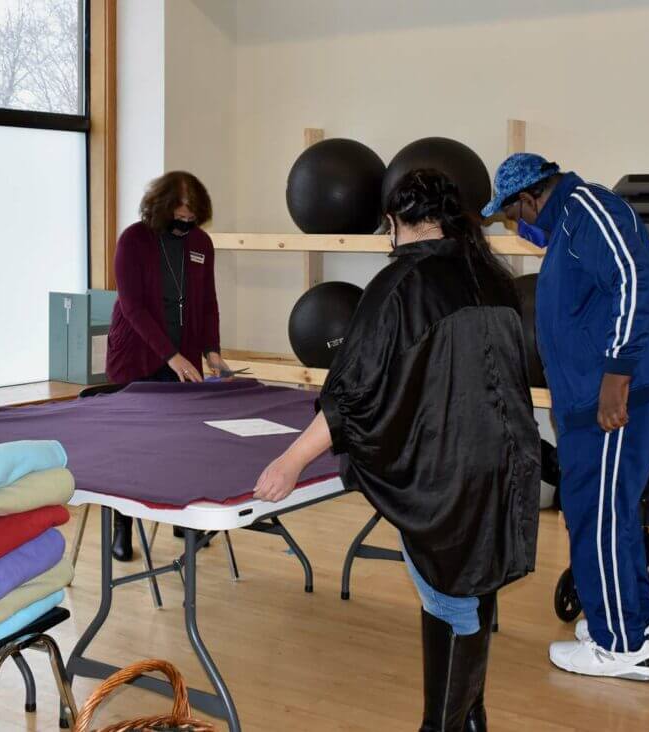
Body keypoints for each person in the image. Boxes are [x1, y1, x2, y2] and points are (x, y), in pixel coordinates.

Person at [254, 169, 542, 731]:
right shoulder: (492, 274)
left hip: (448, 468)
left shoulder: (399, 285)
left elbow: (351, 392)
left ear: (392, 223)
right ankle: (470, 717)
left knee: (450, 600)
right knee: (474, 587)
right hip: (505, 461)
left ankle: (444, 726)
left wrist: (291, 460)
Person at [482, 153, 649, 680]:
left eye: (512, 217)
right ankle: (639, 624)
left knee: (594, 512)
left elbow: (634, 279)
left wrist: (615, 381)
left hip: (622, 391)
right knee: (611, 510)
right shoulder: (571, 227)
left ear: (528, 198)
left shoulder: (588, 209)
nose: (517, 227)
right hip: (601, 393)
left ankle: (617, 644)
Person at [106, 171, 231, 561]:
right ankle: (122, 527)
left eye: (194, 215)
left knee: (184, 443)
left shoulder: (200, 244)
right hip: (137, 357)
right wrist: (169, 355)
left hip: (184, 354)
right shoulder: (134, 240)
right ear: (162, 207)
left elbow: (207, 300)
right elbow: (132, 307)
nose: (187, 221)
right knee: (133, 445)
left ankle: (185, 521)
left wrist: (211, 350)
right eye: (181, 213)